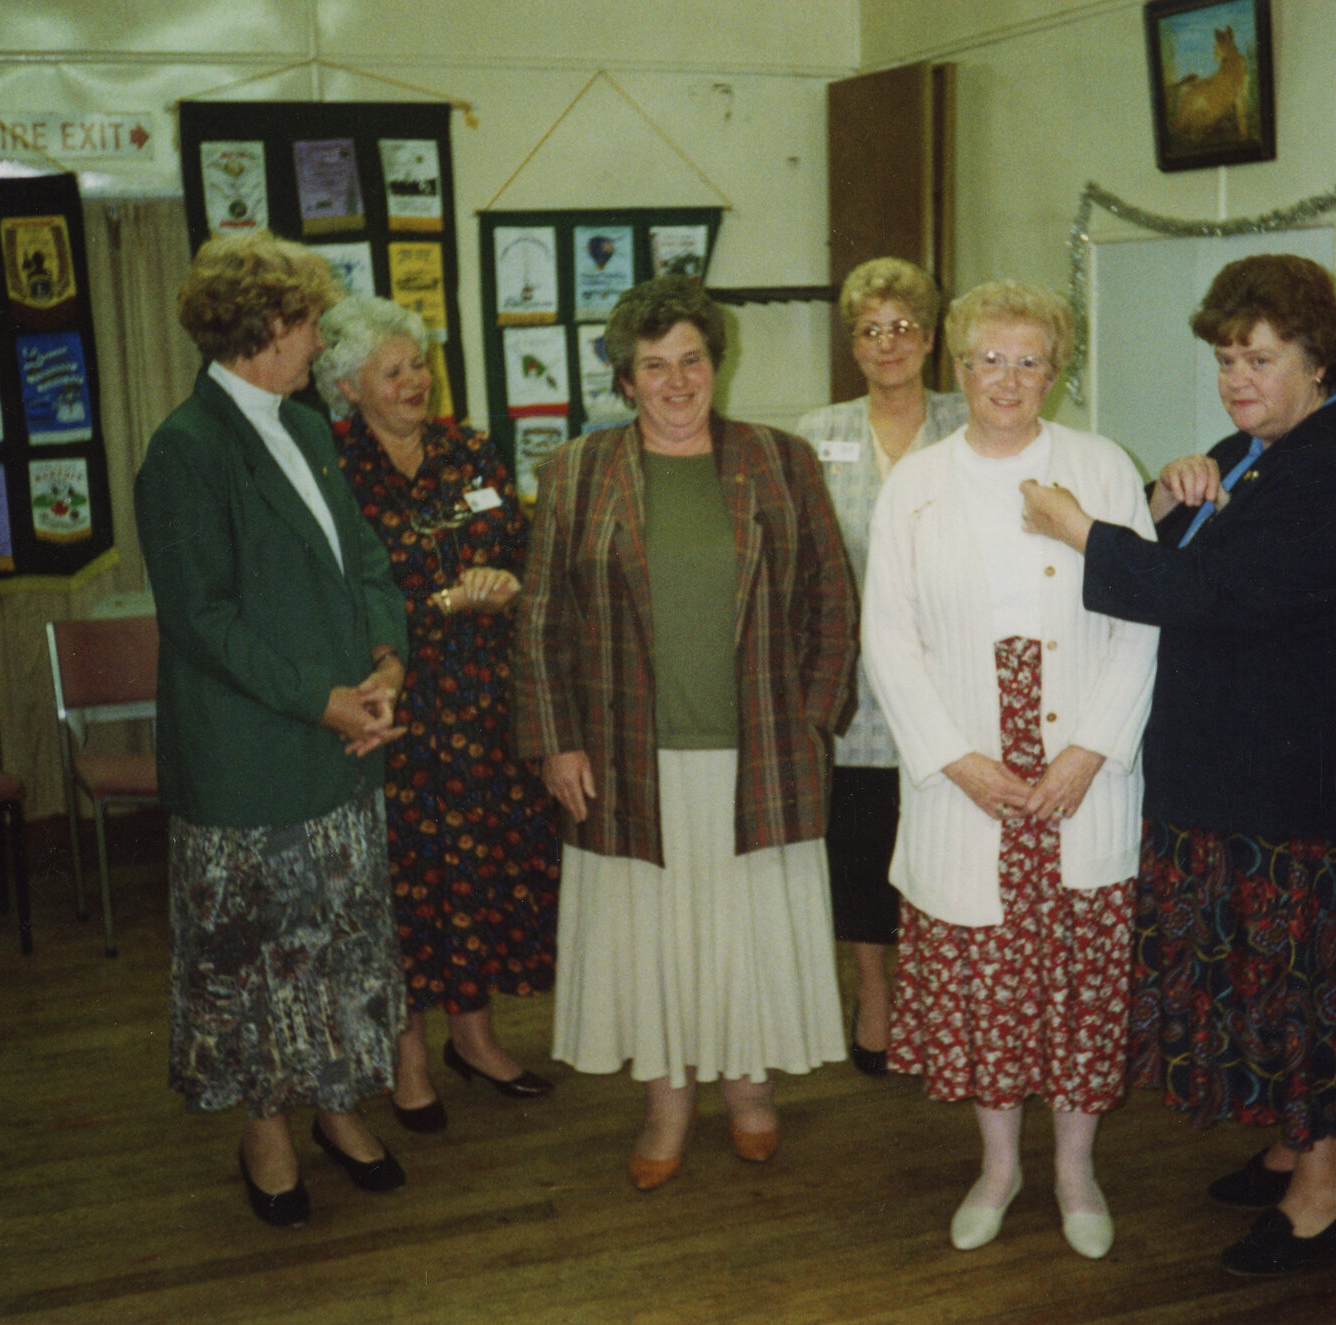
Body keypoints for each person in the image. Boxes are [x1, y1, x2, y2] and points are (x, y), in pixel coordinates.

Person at [1021, 254, 1336, 1275]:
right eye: (1226, 359)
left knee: (1305, 988)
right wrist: (1166, 493)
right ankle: (1291, 1143)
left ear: (1318, 360)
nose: (1237, 378)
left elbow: (1207, 595)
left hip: (1294, 791)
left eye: (1260, 358)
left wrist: (1081, 529)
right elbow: (1187, 558)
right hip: (1230, 777)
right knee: (1257, 984)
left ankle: (1325, 1192)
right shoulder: (1252, 452)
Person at [511, 275, 857, 1191]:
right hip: (626, 758)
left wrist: (811, 721)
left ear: (716, 363)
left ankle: (750, 1092)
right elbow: (541, 622)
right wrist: (556, 741)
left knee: (748, 934)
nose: (676, 381)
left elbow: (832, 603)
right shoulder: (577, 471)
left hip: (759, 754)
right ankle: (666, 1102)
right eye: (654, 366)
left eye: (691, 360)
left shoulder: (780, 461)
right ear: (626, 380)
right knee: (651, 941)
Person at [865, 280, 1157, 1260]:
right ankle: (998, 1167)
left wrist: (1090, 750)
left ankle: (1075, 1168)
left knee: (1079, 982)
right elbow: (888, 638)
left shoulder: (1100, 467)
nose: (1007, 377)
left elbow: (1141, 621)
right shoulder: (916, 482)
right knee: (986, 984)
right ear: (957, 367)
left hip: (1078, 770)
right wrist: (956, 760)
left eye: (1028, 360)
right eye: (989, 358)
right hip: (969, 773)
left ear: (1054, 371)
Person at [136, 232, 409, 1229]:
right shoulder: (187, 448)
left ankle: (336, 1105)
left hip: (338, 743)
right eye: (309, 322)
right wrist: (321, 698)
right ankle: (266, 1129)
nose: (321, 339)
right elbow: (200, 619)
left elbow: (363, 558)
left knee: (338, 943)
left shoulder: (305, 425)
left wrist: (385, 662)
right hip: (249, 758)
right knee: (255, 958)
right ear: (262, 327)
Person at [315, 296, 561, 1135]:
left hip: (484, 705)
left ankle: (475, 1037)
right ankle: (407, 1055)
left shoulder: (470, 452)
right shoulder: (333, 469)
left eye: (418, 364)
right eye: (392, 371)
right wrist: (445, 601)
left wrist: (506, 583)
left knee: (480, 874)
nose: (414, 381)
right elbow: (341, 603)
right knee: (406, 884)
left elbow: (517, 550)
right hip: (394, 709)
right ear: (349, 386)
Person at [796, 257, 968, 1077]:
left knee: (944, 842)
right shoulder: (817, 431)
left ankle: (939, 997)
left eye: (903, 327)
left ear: (930, 338)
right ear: (853, 343)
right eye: (871, 329)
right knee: (863, 845)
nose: (888, 343)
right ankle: (875, 995)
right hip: (855, 683)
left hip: (951, 680)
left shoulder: (970, 419)